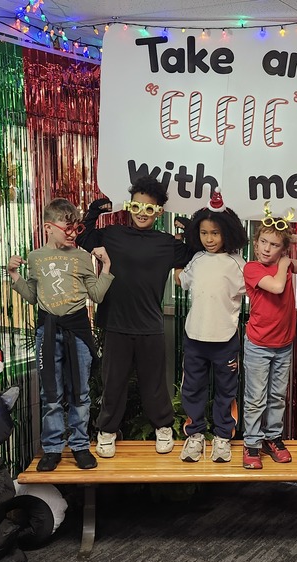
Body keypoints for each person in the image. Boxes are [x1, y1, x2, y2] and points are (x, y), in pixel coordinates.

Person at [76, 176, 194, 458]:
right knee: (113, 382)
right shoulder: (113, 234)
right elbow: (84, 236)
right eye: (137, 207)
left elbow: (196, 251)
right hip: (116, 323)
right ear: (129, 207)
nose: (142, 213)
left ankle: (163, 428)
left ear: (159, 212)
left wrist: (189, 231)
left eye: (149, 209)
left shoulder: (167, 244)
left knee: (154, 384)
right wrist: (94, 212)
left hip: (150, 326)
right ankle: (106, 432)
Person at [7, 198, 114, 471]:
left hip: (77, 330)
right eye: (66, 228)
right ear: (48, 227)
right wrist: (14, 275)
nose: (72, 234)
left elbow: (97, 295)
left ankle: (79, 445)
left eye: (75, 229)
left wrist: (107, 268)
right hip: (47, 330)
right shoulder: (35, 258)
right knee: (50, 393)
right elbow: (32, 297)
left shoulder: (82, 257)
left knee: (80, 392)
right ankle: (52, 448)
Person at [242, 204, 297, 469]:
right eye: (263, 241)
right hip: (259, 345)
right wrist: (285, 260)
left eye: (273, 245)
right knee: (255, 398)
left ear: (282, 247)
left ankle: (272, 438)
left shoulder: (285, 264)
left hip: (283, 344)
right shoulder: (252, 268)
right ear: (255, 242)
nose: (266, 248)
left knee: (276, 396)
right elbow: (276, 287)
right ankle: (251, 442)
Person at [177, 189, 248, 463]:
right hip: (194, 337)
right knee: (192, 389)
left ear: (228, 234)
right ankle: (194, 437)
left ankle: (222, 438)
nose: (209, 239)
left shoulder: (238, 264)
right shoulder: (196, 259)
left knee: (225, 391)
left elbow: (255, 290)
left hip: (226, 339)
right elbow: (182, 280)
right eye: (204, 233)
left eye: (215, 233)